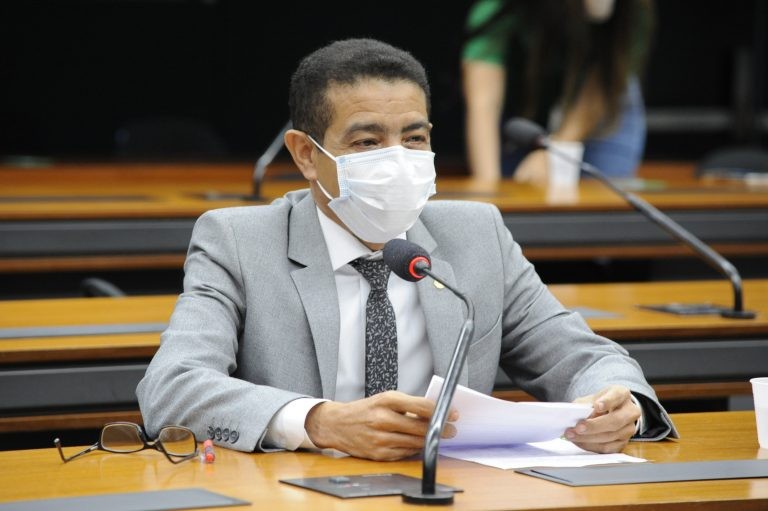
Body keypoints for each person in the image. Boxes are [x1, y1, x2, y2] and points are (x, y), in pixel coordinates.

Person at [137, 38, 676, 461]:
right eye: (367, 142)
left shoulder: (476, 232)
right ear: (305, 154)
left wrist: (618, 402)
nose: (397, 159)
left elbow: (582, 355)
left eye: (414, 139)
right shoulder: (237, 240)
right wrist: (318, 422)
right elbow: (172, 387)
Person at [463, 0, 653, 183]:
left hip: (601, 106)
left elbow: (601, 86)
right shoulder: (501, 6)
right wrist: (489, 190)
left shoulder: (633, 7)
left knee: (604, 201)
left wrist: (556, 148)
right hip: (525, 109)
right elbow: (483, 103)